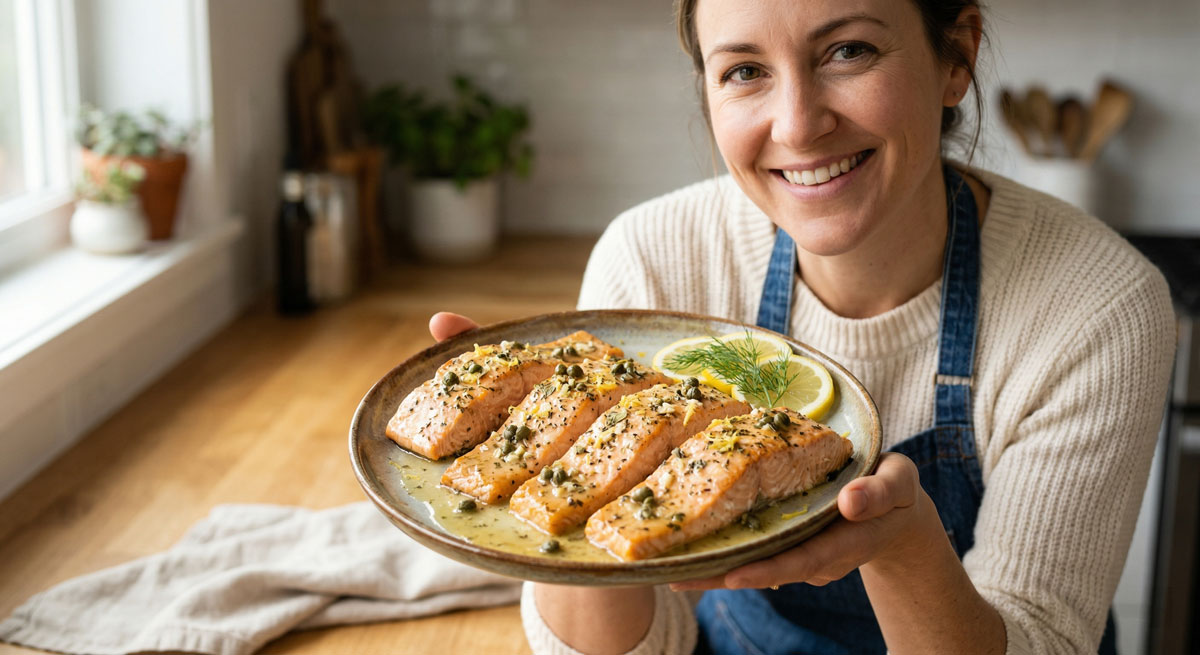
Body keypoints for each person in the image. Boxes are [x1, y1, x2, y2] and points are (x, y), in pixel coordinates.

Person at [429, 0, 1177, 652]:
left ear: (956, 56)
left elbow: (1041, 638)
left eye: (847, 51)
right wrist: (556, 468)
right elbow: (634, 645)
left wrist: (906, 544)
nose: (797, 125)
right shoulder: (653, 259)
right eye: (744, 70)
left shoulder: (1098, 305)